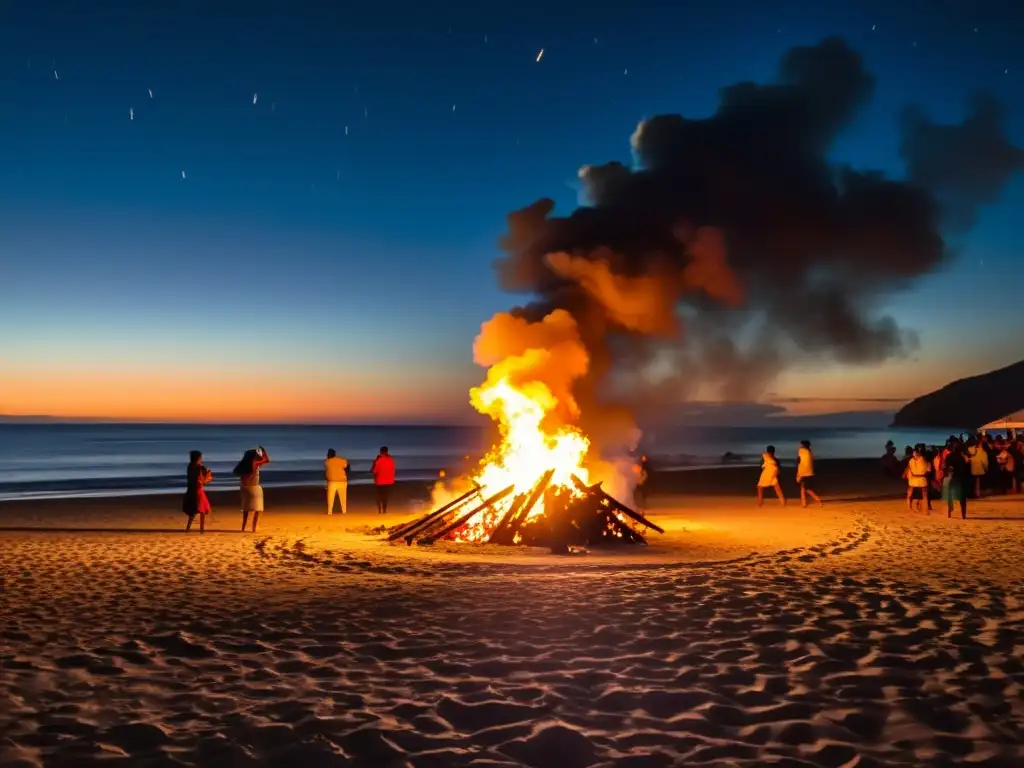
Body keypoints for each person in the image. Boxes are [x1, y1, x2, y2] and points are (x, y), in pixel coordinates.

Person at [234, 446, 270, 532]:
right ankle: (253, 528)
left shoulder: (243, 464)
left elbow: (243, 478)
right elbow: (267, 460)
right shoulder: (254, 463)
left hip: (244, 487)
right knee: (257, 509)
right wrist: (264, 451)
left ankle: (243, 527)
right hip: (254, 486)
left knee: (246, 509)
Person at [182, 450, 213, 533]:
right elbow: (200, 481)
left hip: (190, 489)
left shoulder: (190, 466)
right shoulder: (198, 467)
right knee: (201, 510)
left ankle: (188, 528)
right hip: (198, 490)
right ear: (198, 458)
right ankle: (201, 530)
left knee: (193, 510)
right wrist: (208, 476)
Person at [942, 439, 970, 519]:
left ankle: (950, 509)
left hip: (953, 477)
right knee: (963, 497)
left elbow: (946, 467)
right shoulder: (962, 457)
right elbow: (965, 468)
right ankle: (963, 514)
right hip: (962, 478)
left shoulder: (949, 456)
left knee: (949, 494)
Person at [796, 440, 822, 508]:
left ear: (803, 445)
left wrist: (798, 473)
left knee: (806, 488)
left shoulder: (801, 451)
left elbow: (799, 461)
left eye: (801, 444)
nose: (800, 446)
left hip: (803, 472)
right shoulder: (810, 452)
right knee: (803, 488)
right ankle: (804, 503)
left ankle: (817, 499)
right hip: (810, 472)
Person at [905, 446, 931, 513]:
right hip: (917, 480)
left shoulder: (914, 460)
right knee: (921, 495)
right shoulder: (921, 460)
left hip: (916, 480)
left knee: (917, 495)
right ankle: (917, 508)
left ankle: (913, 507)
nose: (915, 454)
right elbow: (928, 470)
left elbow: (927, 470)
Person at [371, 446, 396, 515]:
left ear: (381, 452)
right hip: (389, 481)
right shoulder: (391, 460)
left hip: (379, 481)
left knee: (379, 496)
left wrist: (375, 462)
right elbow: (393, 470)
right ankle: (384, 510)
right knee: (385, 496)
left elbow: (374, 471)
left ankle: (379, 510)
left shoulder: (378, 460)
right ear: (387, 452)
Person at [325, 448, 349, 515]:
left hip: (332, 482)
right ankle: (344, 511)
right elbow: (347, 466)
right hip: (342, 481)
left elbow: (327, 470)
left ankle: (329, 512)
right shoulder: (342, 460)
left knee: (330, 498)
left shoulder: (327, 461)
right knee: (343, 498)